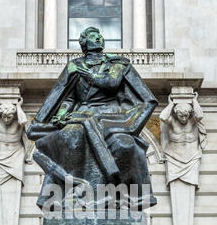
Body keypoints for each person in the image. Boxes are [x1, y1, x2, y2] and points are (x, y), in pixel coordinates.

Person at [27, 27, 158, 212]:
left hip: (113, 116)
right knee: (70, 136)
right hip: (82, 113)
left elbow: (112, 83)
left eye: (99, 35)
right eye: (92, 36)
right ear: (83, 43)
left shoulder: (117, 63)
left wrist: (91, 76)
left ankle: (119, 196)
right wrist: (62, 113)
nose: (98, 38)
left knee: (125, 144)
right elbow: (68, 97)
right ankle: (73, 193)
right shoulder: (74, 66)